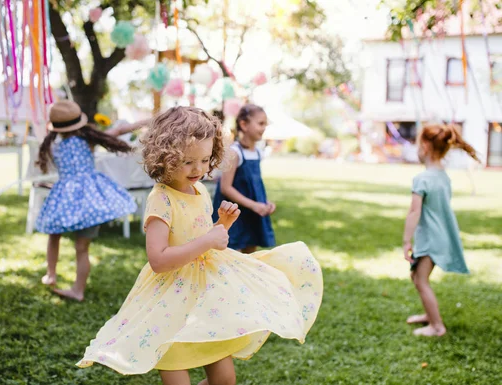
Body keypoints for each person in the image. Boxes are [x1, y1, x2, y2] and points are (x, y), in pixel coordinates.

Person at [77, 106, 323, 385]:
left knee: (225, 380)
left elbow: (207, 239)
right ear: (165, 157)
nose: (199, 169)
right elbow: (158, 259)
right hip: (169, 300)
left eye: (205, 160)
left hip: (205, 297)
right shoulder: (162, 199)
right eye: (188, 162)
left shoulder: (200, 190)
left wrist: (222, 225)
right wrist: (208, 239)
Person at [35, 100, 137, 301]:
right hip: (89, 199)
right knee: (82, 249)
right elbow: (119, 130)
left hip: (64, 199)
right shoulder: (88, 140)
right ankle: (78, 289)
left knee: (53, 236)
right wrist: (146, 122)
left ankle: (51, 274)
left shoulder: (53, 147)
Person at [403, 123, 479, 337]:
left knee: (421, 280)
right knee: (417, 278)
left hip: (430, 239)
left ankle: (437, 326)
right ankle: (430, 315)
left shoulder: (422, 179)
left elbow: (413, 212)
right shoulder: (443, 176)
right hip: (440, 236)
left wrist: (406, 241)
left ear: (425, 147)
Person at [212, 104, 275, 253]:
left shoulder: (258, 153)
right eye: (260, 123)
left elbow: (255, 185)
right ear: (244, 124)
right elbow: (225, 188)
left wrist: (265, 203)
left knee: (251, 249)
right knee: (231, 252)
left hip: (252, 213)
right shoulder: (235, 152)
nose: (264, 127)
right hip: (233, 213)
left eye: (265, 124)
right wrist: (253, 205)